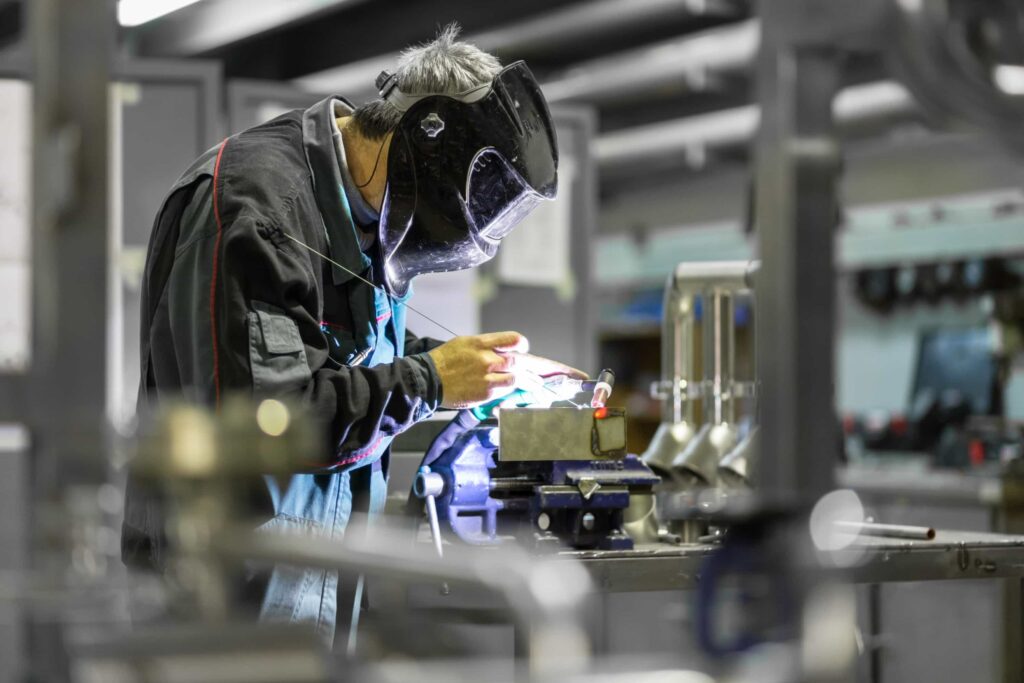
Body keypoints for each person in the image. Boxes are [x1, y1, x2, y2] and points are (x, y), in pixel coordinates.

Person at [121, 24, 583, 644]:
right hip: (225, 601)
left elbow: (340, 351)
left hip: (314, 585)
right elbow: (272, 422)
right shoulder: (259, 206)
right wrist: (431, 380)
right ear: (426, 144)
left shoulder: (367, 211)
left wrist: (475, 368)